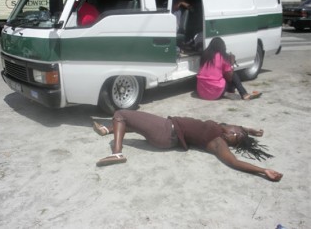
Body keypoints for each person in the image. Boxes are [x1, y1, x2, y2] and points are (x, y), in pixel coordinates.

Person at [93, 110, 283, 182]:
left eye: (236, 135)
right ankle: (107, 130)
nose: (235, 130)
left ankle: (117, 153)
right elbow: (234, 127)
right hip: (167, 134)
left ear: (232, 137)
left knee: (121, 114)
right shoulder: (221, 129)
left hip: (167, 130)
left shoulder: (218, 142)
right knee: (133, 122)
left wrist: (263, 170)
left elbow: (234, 162)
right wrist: (250, 131)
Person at [197, 37, 262, 100]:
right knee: (234, 75)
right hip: (214, 92)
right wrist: (231, 63)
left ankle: (225, 92)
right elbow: (230, 77)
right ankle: (244, 94)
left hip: (202, 92)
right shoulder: (222, 56)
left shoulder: (204, 55)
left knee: (222, 77)